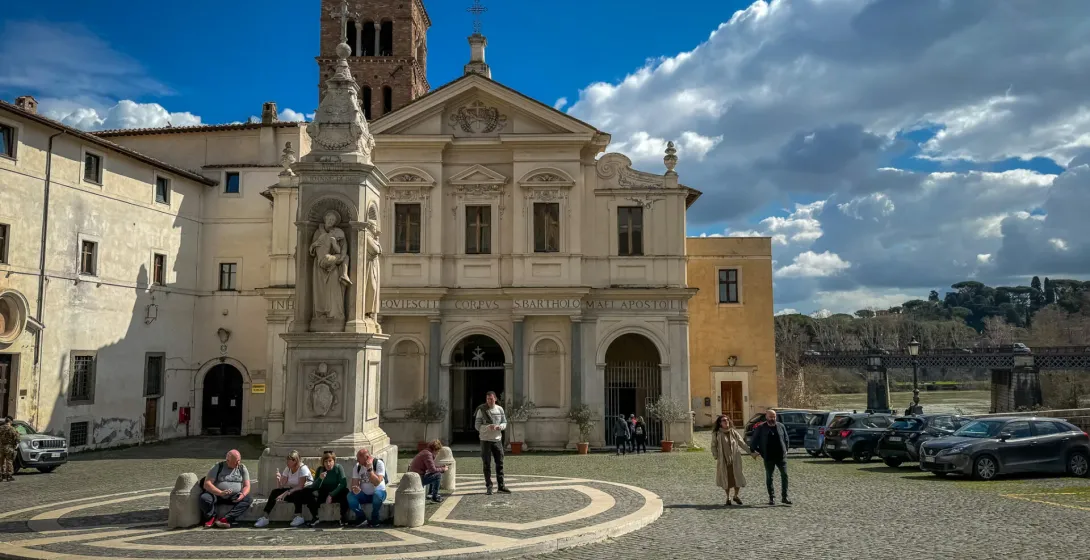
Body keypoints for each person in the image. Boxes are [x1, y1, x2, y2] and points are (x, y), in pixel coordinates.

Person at [254, 450, 313, 528]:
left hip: (305, 493)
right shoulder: (288, 469)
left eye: (289, 460)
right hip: (292, 491)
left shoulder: (303, 468)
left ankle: (299, 517)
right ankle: (265, 517)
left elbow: (300, 486)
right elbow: (281, 486)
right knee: (275, 492)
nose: (287, 462)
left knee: (297, 493)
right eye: (287, 460)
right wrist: (279, 479)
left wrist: (285, 493)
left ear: (295, 461)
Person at [199, 449, 253, 528]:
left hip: (233, 496)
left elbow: (247, 486)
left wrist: (242, 494)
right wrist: (220, 492)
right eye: (235, 462)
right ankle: (211, 517)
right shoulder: (218, 466)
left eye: (239, 460)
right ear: (228, 460)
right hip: (217, 495)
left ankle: (225, 519)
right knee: (204, 498)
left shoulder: (242, 468)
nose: (238, 463)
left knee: (248, 499)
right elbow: (207, 484)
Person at [711, 414, 756, 506]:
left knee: (737, 477)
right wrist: (716, 456)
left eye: (727, 420)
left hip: (735, 459)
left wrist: (751, 453)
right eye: (723, 420)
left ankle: (735, 496)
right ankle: (727, 497)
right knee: (726, 478)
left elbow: (742, 443)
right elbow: (713, 446)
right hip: (724, 460)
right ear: (720, 423)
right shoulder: (716, 433)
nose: (726, 421)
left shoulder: (733, 432)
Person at [749, 410, 791, 506]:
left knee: (785, 475)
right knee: (769, 477)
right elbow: (753, 442)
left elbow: (786, 438)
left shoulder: (781, 426)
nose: (772, 418)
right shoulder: (760, 427)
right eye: (770, 417)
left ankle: (785, 497)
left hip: (781, 456)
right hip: (768, 456)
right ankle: (771, 497)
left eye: (774, 416)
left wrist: (786, 450)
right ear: (766, 417)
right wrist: (758, 452)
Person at [474, 391, 509, 495]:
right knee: (486, 464)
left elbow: (504, 422)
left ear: (495, 399)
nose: (489, 401)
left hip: (497, 440)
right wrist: (487, 427)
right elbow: (477, 426)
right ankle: (489, 486)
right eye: (487, 399)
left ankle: (501, 486)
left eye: (491, 399)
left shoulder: (500, 409)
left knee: (500, 463)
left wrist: (500, 427)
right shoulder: (481, 410)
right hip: (485, 440)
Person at [303, 450, 350, 528]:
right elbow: (314, 486)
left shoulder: (338, 468)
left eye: (330, 461)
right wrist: (320, 479)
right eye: (326, 462)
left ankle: (343, 517)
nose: (328, 464)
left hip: (335, 492)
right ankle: (315, 516)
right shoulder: (320, 469)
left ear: (334, 461)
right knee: (307, 491)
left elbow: (343, 483)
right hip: (323, 493)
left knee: (346, 491)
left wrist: (331, 495)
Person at [347, 448, 387, 527]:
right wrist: (356, 489)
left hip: (379, 493)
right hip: (364, 495)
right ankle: (361, 517)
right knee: (350, 496)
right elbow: (354, 484)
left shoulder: (378, 463)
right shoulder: (357, 466)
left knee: (377, 496)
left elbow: (377, 482)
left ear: (367, 457)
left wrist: (370, 470)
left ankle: (375, 518)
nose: (357, 461)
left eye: (359, 459)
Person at [0, 417, 18, 482]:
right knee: (9, 461)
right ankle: (9, 476)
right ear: (10, 421)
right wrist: (15, 446)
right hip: (9, 447)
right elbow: (17, 439)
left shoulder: (0, 428)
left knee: (1, 461)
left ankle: (1, 475)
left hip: (1, 447)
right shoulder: (12, 429)